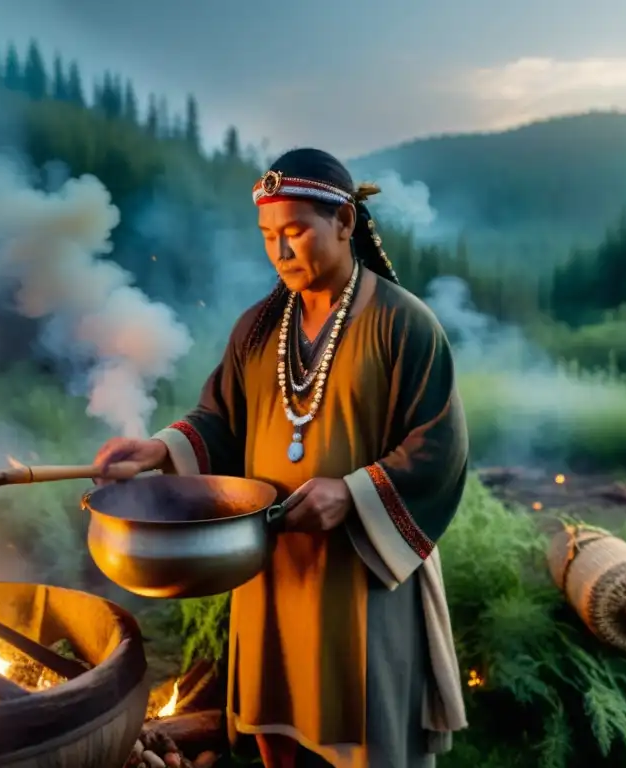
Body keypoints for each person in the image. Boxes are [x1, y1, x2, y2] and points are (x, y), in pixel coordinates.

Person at [93, 148, 468, 768]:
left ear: (345, 222)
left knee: (365, 736)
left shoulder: (405, 325)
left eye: (295, 232)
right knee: (279, 731)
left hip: (361, 574)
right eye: (269, 236)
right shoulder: (259, 328)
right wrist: (161, 448)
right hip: (271, 567)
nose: (280, 251)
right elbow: (221, 419)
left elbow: (439, 449)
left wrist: (351, 493)